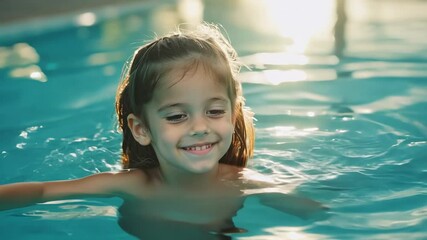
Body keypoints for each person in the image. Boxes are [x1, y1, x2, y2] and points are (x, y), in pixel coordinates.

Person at [0, 23, 327, 239]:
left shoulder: (242, 183)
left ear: (233, 114)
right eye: (176, 117)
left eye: (214, 111)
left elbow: (319, 212)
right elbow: (44, 191)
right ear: (142, 129)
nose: (200, 127)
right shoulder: (136, 185)